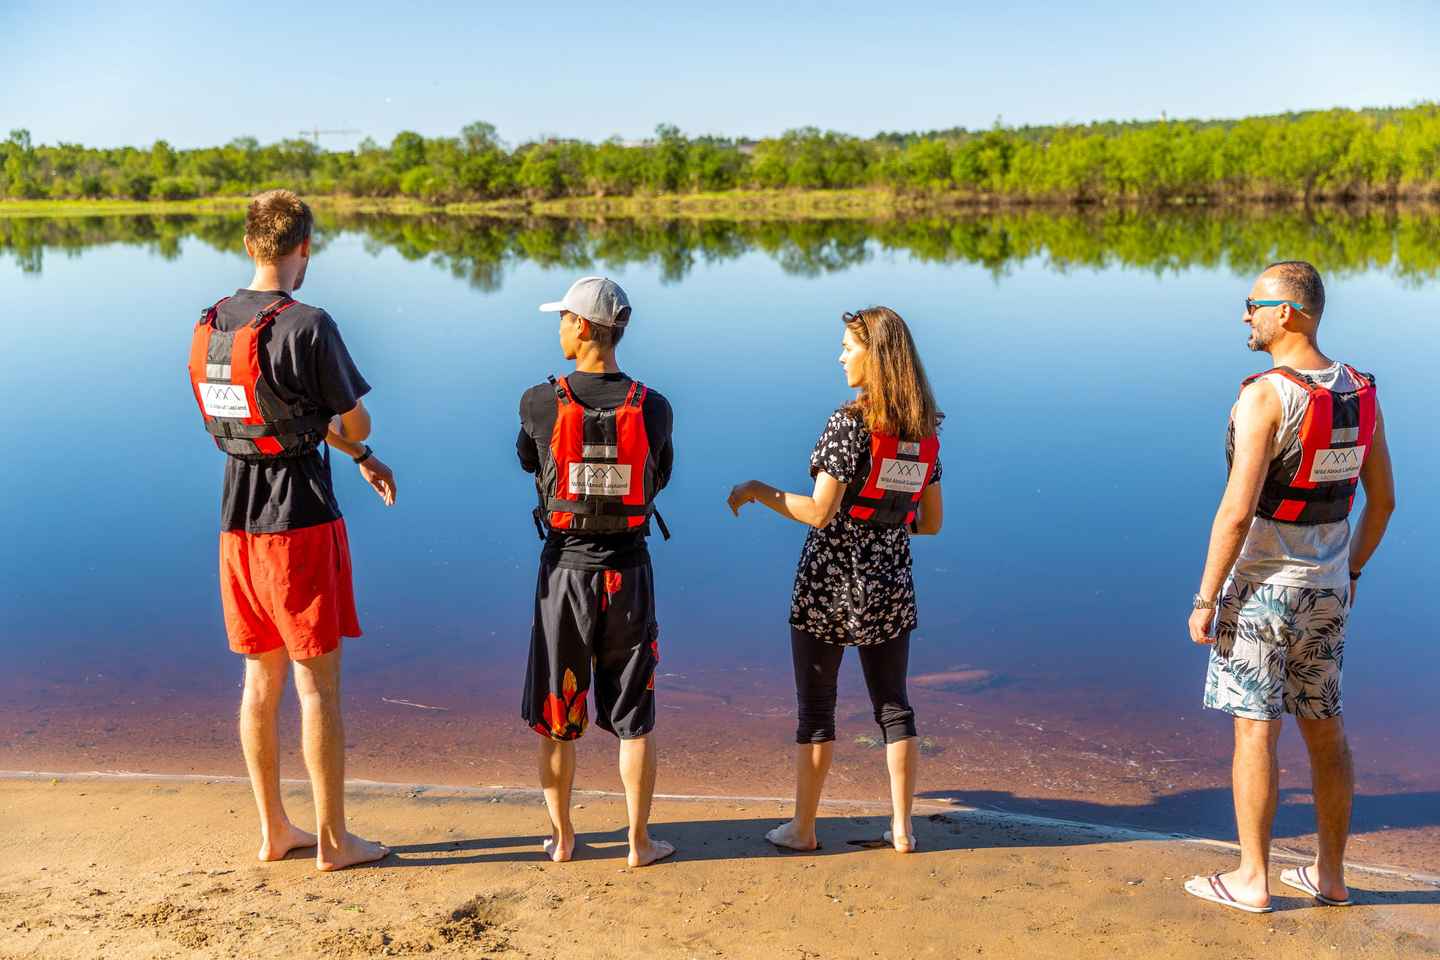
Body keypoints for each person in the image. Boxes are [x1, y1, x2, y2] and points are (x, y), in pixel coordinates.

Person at [188, 189, 397, 872]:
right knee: (319, 688)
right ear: (304, 247)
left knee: (259, 681)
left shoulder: (212, 321)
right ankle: (335, 842)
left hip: (235, 521)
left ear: (249, 244)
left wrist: (357, 457)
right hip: (299, 521)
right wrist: (363, 441)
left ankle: (275, 829)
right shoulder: (309, 323)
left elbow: (271, 416)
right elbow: (348, 417)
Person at [1183, 261, 1395, 913]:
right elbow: (1383, 503)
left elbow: (1237, 511)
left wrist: (1205, 598)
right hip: (1328, 590)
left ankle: (1254, 879)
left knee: (1255, 730)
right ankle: (1330, 877)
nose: (1245, 315)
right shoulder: (1360, 390)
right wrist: (1350, 571)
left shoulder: (1266, 395)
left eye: (1254, 303)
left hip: (1262, 594)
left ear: (1290, 313)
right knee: (1325, 727)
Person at [727, 306, 943, 854]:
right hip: (890, 582)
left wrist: (758, 490)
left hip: (829, 582)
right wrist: (882, 525)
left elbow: (820, 511)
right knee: (894, 706)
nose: (841, 355)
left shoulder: (847, 424)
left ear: (876, 358)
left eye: (849, 347)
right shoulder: (921, 432)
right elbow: (932, 522)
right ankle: (902, 828)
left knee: (817, 710)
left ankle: (803, 829)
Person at [516, 276, 676, 867]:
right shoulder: (653, 407)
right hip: (629, 574)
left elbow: (530, 459)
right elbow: (660, 474)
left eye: (561, 318)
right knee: (635, 716)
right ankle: (638, 843)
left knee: (558, 715)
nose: (557, 327)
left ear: (582, 328)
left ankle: (561, 839)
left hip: (564, 575)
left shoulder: (538, 400)